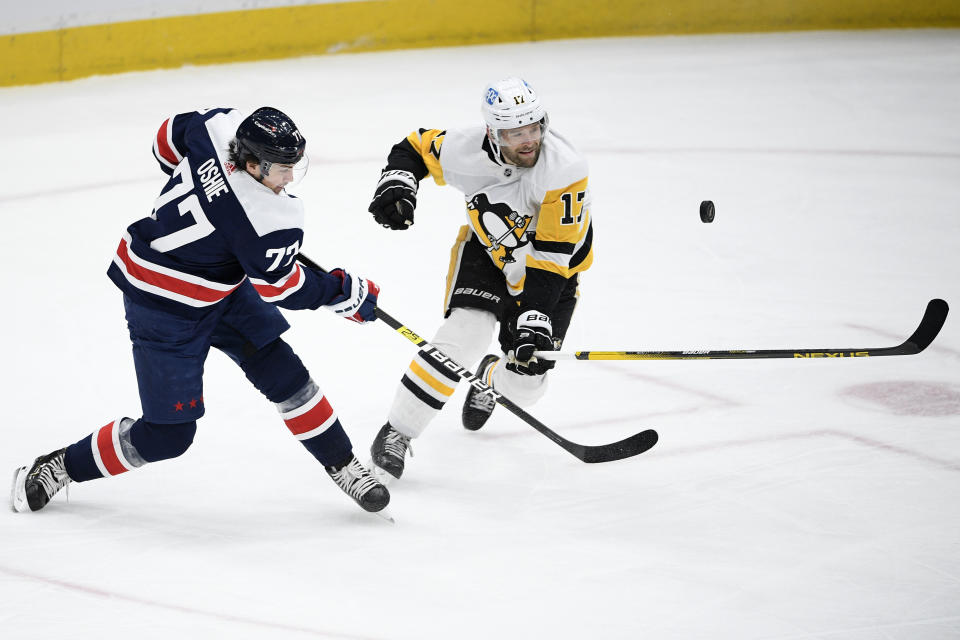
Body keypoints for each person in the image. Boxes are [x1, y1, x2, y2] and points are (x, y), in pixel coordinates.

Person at [10, 107, 390, 514]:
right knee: (168, 436)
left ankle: (343, 463)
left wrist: (206, 195)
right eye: (282, 169)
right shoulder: (267, 220)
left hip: (218, 288)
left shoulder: (215, 127)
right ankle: (61, 466)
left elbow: (165, 140)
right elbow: (284, 286)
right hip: (162, 308)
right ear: (251, 163)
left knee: (286, 376)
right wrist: (341, 291)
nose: (290, 178)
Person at [366, 77, 593, 480]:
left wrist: (534, 317)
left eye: (534, 127)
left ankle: (489, 377)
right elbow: (414, 147)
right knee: (462, 336)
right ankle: (397, 432)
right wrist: (399, 183)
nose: (528, 140)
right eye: (514, 132)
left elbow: (552, 256)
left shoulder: (565, 169)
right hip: (489, 255)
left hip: (552, 273)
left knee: (526, 385)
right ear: (493, 132)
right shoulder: (465, 148)